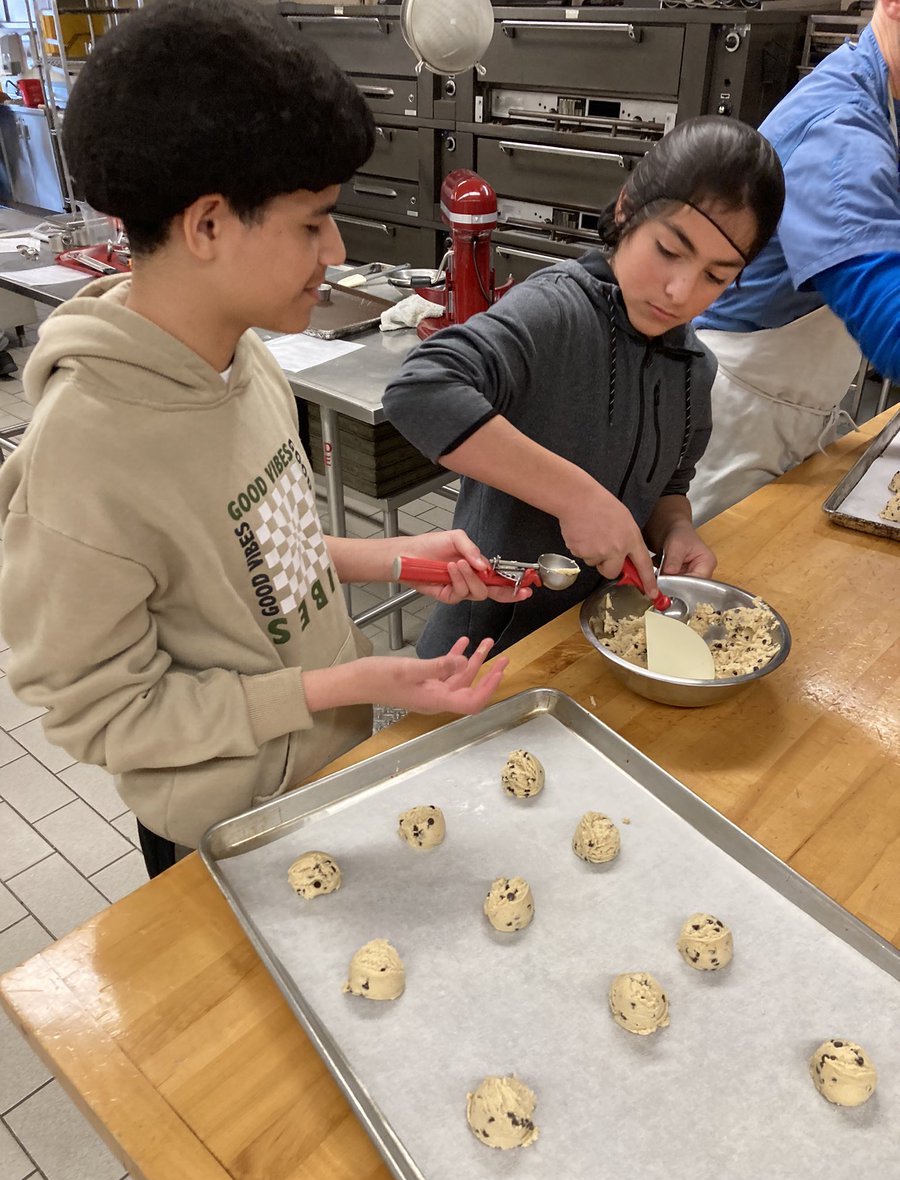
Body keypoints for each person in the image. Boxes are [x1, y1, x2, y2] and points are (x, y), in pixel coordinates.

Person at [0, 0, 528, 877]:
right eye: (312, 221)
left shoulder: (241, 360)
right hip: (222, 827)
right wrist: (348, 683)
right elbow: (107, 716)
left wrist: (404, 559)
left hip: (321, 768)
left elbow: (251, 550)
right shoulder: (83, 462)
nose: (337, 248)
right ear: (208, 225)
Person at [382, 117, 784, 657]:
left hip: (593, 647)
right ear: (626, 210)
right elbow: (420, 389)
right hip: (484, 646)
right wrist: (577, 499)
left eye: (716, 276)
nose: (680, 290)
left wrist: (677, 529)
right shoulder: (556, 312)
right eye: (669, 250)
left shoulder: (693, 369)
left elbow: (668, 486)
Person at [689, 0, 900, 524]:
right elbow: (890, 320)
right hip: (740, 420)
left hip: (794, 406)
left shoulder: (884, 96)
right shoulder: (840, 129)